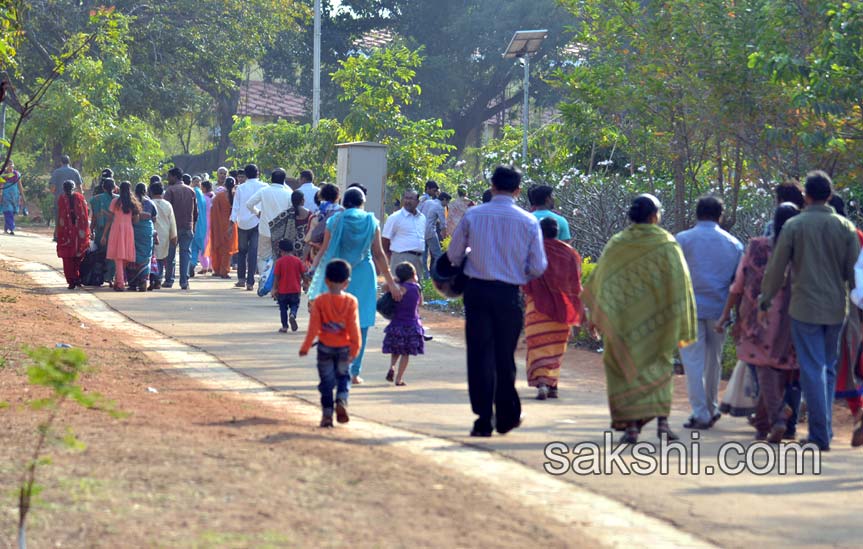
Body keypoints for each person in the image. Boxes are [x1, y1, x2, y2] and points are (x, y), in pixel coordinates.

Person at [760, 170, 860, 451]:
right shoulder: (845, 227)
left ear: (806, 195)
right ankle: (823, 431)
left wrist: (765, 300)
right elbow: (855, 274)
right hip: (836, 307)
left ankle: (819, 435)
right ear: (829, 195)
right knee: (827, 369)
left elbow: (777, 268)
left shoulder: (794, 226)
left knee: (812, 369)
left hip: (804, 307)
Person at [584, 194, 697, 443]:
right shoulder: (666, 244)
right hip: (659, 325)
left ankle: (632, 428)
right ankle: (663, 425)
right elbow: (680, 285)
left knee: (625, 371)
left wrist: (596, 315)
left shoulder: (617, 244)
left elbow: (599, 282)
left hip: (623, 325)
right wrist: (682, 321)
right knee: (659, 372)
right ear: (654, 216)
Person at [447, 166, 547, 437]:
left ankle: (482, 418)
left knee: (479, 355)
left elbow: (454, 254)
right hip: (508, 294)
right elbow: (538, 266)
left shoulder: (473, 215)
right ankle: (506, 415)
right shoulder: (528, 221)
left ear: (492, 186)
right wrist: (517, 271)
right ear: (517, 191)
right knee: (504, 356)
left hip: (477, 292)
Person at [717, 204, 800, 443]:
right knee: (779, 371)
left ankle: (777, 419)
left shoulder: (757, 247)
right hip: (790, 318)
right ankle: (764, 424)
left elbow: (738, 284)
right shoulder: (799, 249)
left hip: (757, 317)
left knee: (764, 369)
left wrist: (726, 316)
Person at [308, 188, 403, 385]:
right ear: (362, 202)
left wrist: (314, 271)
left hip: (338, 273)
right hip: (363, 274)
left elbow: (325, 249)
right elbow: (378, 254)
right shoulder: (371, 221)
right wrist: (391, 282)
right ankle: (353, 371)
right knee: (362, 322)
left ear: (344, 203)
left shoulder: (335, 221)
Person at [675, 196, 743, 430]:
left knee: (692, 363)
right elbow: (738, 282)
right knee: (713, 362)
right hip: (720, 310)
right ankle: (711, 407)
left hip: (688, 310)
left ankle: (701, 412)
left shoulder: (682, 240)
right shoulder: (733, 243)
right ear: (720, 216)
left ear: (697, 213)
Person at [523, 217, 583, 400]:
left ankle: (542, 382)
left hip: (537, 307)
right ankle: (553, 384)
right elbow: (575, 283)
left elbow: (524, 278)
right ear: (558, 232)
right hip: (562, 309)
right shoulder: (570, 254)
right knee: (556, 347)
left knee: (538, 345)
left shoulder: (533, 252)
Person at [300, 259, 362, 428]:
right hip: (344, 349)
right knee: (343, 377)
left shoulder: (320, 301)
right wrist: (355, 349)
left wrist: (306, 347)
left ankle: (327, 414)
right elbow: (354, 328)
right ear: (347, 283)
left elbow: (313, 328)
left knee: (326, 382)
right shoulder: (351, 302)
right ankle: (341, 400)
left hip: (325, 348)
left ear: (326, 281)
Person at [383, 262, 425, 386]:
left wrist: (395, 281)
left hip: (396, 324)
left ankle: (392, 366)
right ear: (413, 275)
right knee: (406, 353)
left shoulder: (397, 287)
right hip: (412, 324)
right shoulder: (416, 287)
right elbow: (421, 303)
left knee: (395, 350)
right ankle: (399, 379)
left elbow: (384, 287)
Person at [246, 168, 292, 280]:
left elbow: (249, 204)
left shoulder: (264, 191)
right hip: (281, 232)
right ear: (284, 180)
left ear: (271, 179)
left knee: (263, 257)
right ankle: (278, 281)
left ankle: (265, 279)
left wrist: (257, 213)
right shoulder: (289, 193)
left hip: (265, 229)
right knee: (280, 257)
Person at [230, 164, 267, 290]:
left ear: (245, 175)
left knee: (242, 252)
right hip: (258, 221)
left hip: (243, 223)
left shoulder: (240, 188)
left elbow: (236, 206)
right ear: (258, 173)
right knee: (253, 252)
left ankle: (241, 279)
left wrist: (232, 221)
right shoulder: (264, 186)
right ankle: (250, 282)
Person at [163, 167, 198, 290]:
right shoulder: (191, 190)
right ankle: (184, 281)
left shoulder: (170, 191)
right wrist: (193, 225)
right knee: (185, 254)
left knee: (170, 255)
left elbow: (165, 211)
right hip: (188, 226)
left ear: (174, 176)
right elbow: (196, 212)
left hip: (173, 228)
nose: (168, 179)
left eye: (169, 176)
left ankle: (169, 280)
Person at [102, 182, 140, 292]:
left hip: (117, 229)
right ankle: (120, 280)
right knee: (123, 257)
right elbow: (136, 219)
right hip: (128, 229)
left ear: (119, 189)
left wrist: (104, 234)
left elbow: (110, 218)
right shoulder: (133, 202)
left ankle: (120, 283)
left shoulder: (115, 202)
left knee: (118, 257)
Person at [382, 189, 426, 276]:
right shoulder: (395, 217)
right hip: (401, 258)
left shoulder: (422, 218)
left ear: (417, 202)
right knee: (400, 287)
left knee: (416, 287)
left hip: (418, 259)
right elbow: (385, 239)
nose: (408, 201)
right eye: (406, 198)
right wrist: (390, 256)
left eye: (411, 198)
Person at [55, 180, 90, 289]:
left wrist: (57, 230)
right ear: (74, 188)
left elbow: (59, 215)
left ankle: (71, 280)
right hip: (79, 232)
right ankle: (77, 277)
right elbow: (85, 214)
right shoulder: (80, 198)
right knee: (78, 255)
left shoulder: (61, 199)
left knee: (67, 257)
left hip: (65, 233)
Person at [271, 239, 305, 333]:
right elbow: (303, 274)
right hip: (295, 289)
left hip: (283, 291)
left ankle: (285, 326)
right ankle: (293, 314)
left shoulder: (279, 262)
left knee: (283, 309)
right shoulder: (298, 261)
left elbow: (277, 277)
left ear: (281, 250)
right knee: (294, 305)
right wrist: (306, 283)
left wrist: (274, 288)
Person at [148, 181, 177, 290]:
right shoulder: (167, 204)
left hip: (153, 233)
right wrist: (174, 236)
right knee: (163, 258)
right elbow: (172, 222)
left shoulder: (149, 203)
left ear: (151, 192)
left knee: (154, 257)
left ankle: (156, 278)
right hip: (165, 234)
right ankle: (163, 279)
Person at [89, 177, 118, 283]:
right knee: (114, 255)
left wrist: (91, 230)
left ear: (103, 187)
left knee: (101, 254)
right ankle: (110, 276)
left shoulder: (95, 199)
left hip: (101, 232)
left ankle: (99, 277)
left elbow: (94, 217)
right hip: (116, 231)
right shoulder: (119, 200)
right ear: (115, 187)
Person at [209, 177, 238, 279]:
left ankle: (217, 269)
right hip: (231, 225)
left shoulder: (219, 196)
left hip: (219, 225)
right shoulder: (235, 196)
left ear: (224, 185)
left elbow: (213, 212)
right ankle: (224, 270)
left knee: (218, 247)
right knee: (227, 250)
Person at [306, 183, 343, 263]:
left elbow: (309, 239)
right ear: (337, 196)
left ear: (321, 196)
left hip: (318, 258)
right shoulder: (343, 213)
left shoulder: (316, 215)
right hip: (338, 257)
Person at [130, 183, 157, 292]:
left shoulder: (132, 202)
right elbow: (154, 218)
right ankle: (143, 281)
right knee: (146, 256)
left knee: (133, 255)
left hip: (134, 229)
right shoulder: (150, 202)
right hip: (146, 231)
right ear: (145, 191)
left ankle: (132, 282)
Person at [49, 155, 83, 238]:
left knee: (59, 216)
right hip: (73, 199)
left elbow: (53, 188)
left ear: (61, 162)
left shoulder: (56, 172)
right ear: (69, 162)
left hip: (59, 198)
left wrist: (53, 194)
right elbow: (80, 188)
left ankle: (57, 234)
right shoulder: (75, 172)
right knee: (72, 216)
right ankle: (71, 234)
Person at [418, 180, 446, 278]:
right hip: (427, 229)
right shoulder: (424, 199)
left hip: (423, 230)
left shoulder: (429, 199)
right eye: (433, 190)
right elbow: (418, 212)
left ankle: (426, 277)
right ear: (428, 189)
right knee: (435, 253)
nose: (435, 193)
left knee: (424, 256)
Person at [188, 175, 208, 277]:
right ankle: (192, 263)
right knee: (198, 246)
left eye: (198, 182)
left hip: (195, 223)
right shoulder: (198, 193)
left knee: (193, 246)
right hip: (200, 224)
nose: (197, 184)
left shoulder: (194, 192)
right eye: (195, 181)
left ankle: (192, 263)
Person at [195, 180, 215, 274]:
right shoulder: (214, 197)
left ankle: (205, 265)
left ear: (204, 188)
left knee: (203, 243)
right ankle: (211, 265)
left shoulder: (203, 198)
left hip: (204, 222)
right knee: (211, 244)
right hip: (213, 222)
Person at [1, 160, 25, 235]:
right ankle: (11, 228)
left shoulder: (17, 174)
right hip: (6, 196)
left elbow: (20, 186)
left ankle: (6, 227)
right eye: (8, 165)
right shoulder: (3, 175)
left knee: (13, 211)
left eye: (11, 165)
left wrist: (23, 196)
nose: (10, 166)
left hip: (15, 196)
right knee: (8, 211)